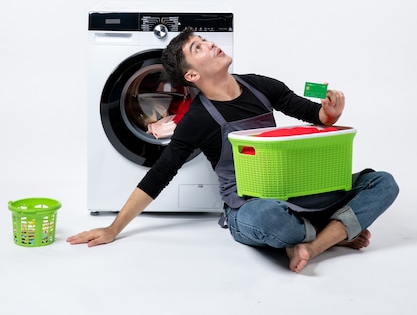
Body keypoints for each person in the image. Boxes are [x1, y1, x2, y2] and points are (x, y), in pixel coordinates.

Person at [67, 27, 399, 272]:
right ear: (193, 74)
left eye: (206, 39)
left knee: (384, 182)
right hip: (250, 207)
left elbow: (315, 116)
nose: (211, 43)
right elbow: (160, 173)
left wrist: (329, 113)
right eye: (199, 46)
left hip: (300, 192)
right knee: (266, 218)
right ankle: (339, 232)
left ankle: (315, 243)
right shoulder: (197, 119)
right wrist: (113, 228)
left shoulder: (261, 86)